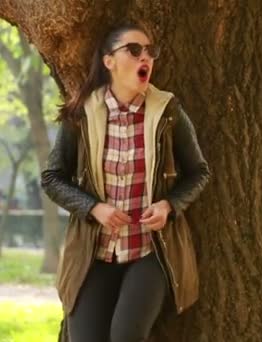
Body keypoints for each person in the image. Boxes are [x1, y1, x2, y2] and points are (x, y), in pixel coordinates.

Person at [41, 23, 210, 342]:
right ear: (109, 61)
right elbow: (52, 178)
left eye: (150, 52)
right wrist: (94, 208)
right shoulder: (82, 112)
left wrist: (169, 206)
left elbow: (199, 172)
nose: (145, 57)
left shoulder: (168, 111)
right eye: (134, 50)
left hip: (150, 251)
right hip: (94, 252)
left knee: (125, 336)